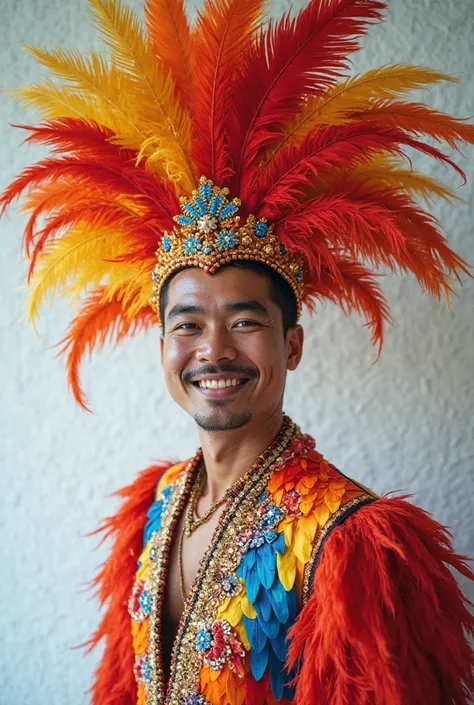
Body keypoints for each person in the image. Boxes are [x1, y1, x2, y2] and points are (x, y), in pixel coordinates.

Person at [1, 0, 473, 703]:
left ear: (293, 341)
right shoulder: (155, 506)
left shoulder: (350, 545)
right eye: (188, 324)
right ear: (163, 345)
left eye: (244, 320)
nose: (213, 349)